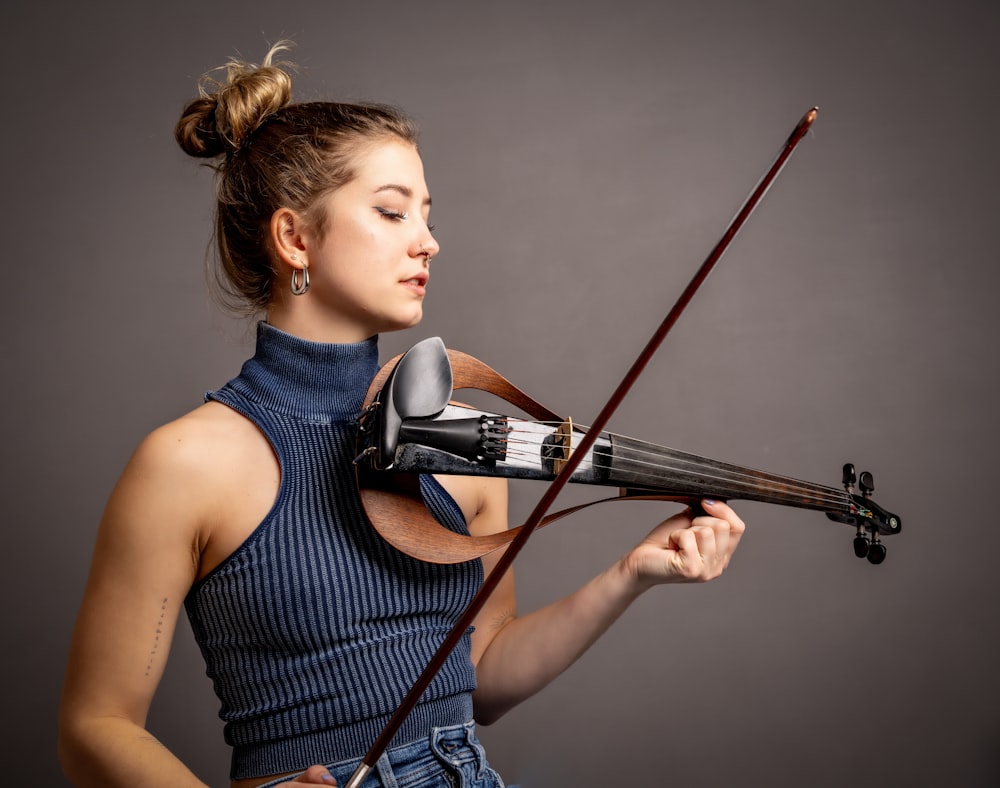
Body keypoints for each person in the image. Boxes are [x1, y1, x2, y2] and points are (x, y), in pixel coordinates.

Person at [57, 43, 746, 788]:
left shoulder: (461, 446)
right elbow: (95, 726)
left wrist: (631, 574)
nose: (428, 241)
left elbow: (480, 676)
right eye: (391, 211)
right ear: (295, 238)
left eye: (426, 214)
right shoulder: (186, 464)